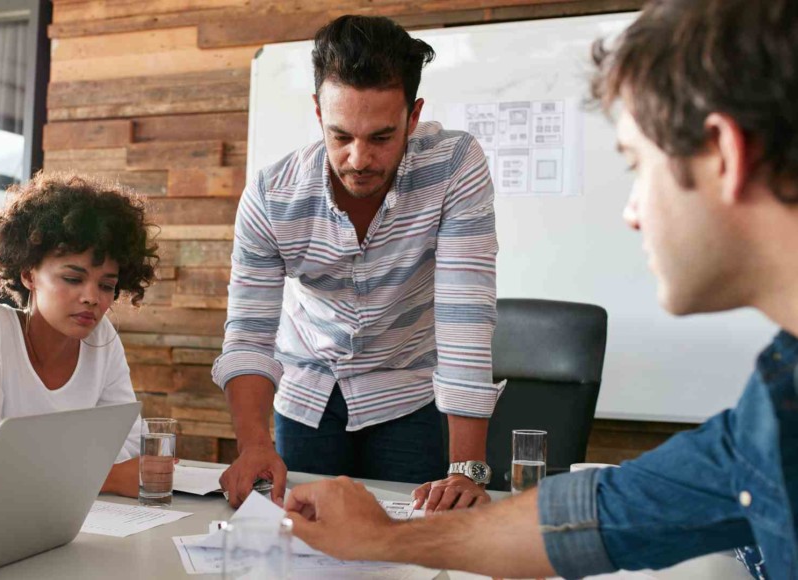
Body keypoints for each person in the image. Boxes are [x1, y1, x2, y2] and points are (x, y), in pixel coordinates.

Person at [283, 0, 798, 578]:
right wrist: (384, 538)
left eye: (636, 164)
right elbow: (612, 514)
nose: (631, 212)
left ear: (725, 154)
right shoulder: (776, 406)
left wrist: (407, 522)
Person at [215, 15, 502, 511]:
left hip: (407, 392)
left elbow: (465, 318)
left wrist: (466, 469)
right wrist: (254, 445)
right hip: (308, 394)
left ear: (413, 117)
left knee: (411, 538)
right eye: (341, 135)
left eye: (381, 137)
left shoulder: (455, 166)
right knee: (306, 541)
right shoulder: (271, 196)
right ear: (317, 112)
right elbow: (249, 333)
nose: (358, 158)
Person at [0, 172, 161, 500]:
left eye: (106, 285)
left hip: (56, 515)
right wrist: (107, 477)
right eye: (73, 278)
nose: (93, 297)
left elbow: (130, 445)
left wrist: (55, 470)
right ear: (29, 274)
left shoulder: (101, 338)